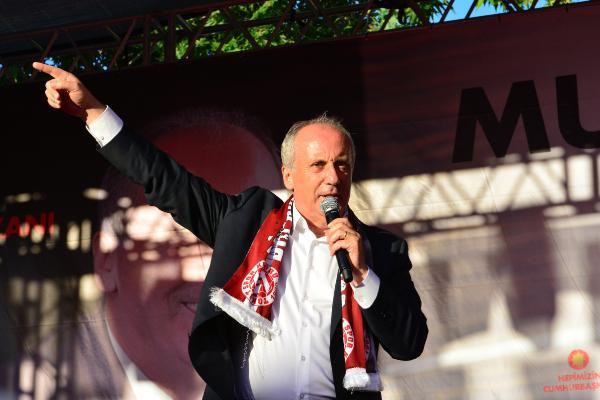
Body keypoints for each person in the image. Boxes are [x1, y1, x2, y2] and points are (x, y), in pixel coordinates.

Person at [33, 61, 428, 400]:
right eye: (318, 165)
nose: (332, 177)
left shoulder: (381, 250)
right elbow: (165, 180)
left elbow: (408, 344)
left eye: (341, 164)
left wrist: (364, 276)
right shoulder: (249, 224)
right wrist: (94, 112)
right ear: (288, 175)